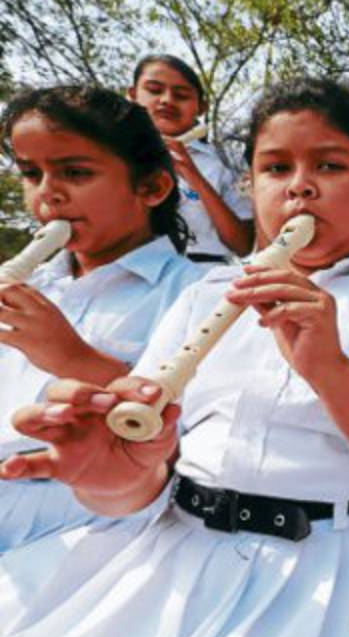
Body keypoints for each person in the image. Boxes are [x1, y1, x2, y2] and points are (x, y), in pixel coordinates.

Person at [0, 79, 349, 637]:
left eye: (329, 166)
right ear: (249, 188)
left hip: (340, 573)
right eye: (275, 168)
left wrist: (330, 369)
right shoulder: (206, 295)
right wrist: (110, 470)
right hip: (178, 550)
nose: (299, 186)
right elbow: (151, 471)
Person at [0, 85, 200, 553]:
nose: (48, 193)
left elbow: (199, 433)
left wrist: (74, 358)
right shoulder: (38, 285)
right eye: (32, 173)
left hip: (96, 523)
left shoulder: (196, 290)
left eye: (75, 172)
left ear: (151, 187)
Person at [127, 55, 254, 262]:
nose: (167, 100)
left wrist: (193, 175)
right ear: (133, 95)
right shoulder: (109, 155)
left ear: (201, 107)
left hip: (202, 275)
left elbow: (243, 246)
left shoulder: (226, 161)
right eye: (154, 90)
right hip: (124, 275)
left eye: (181, 95)